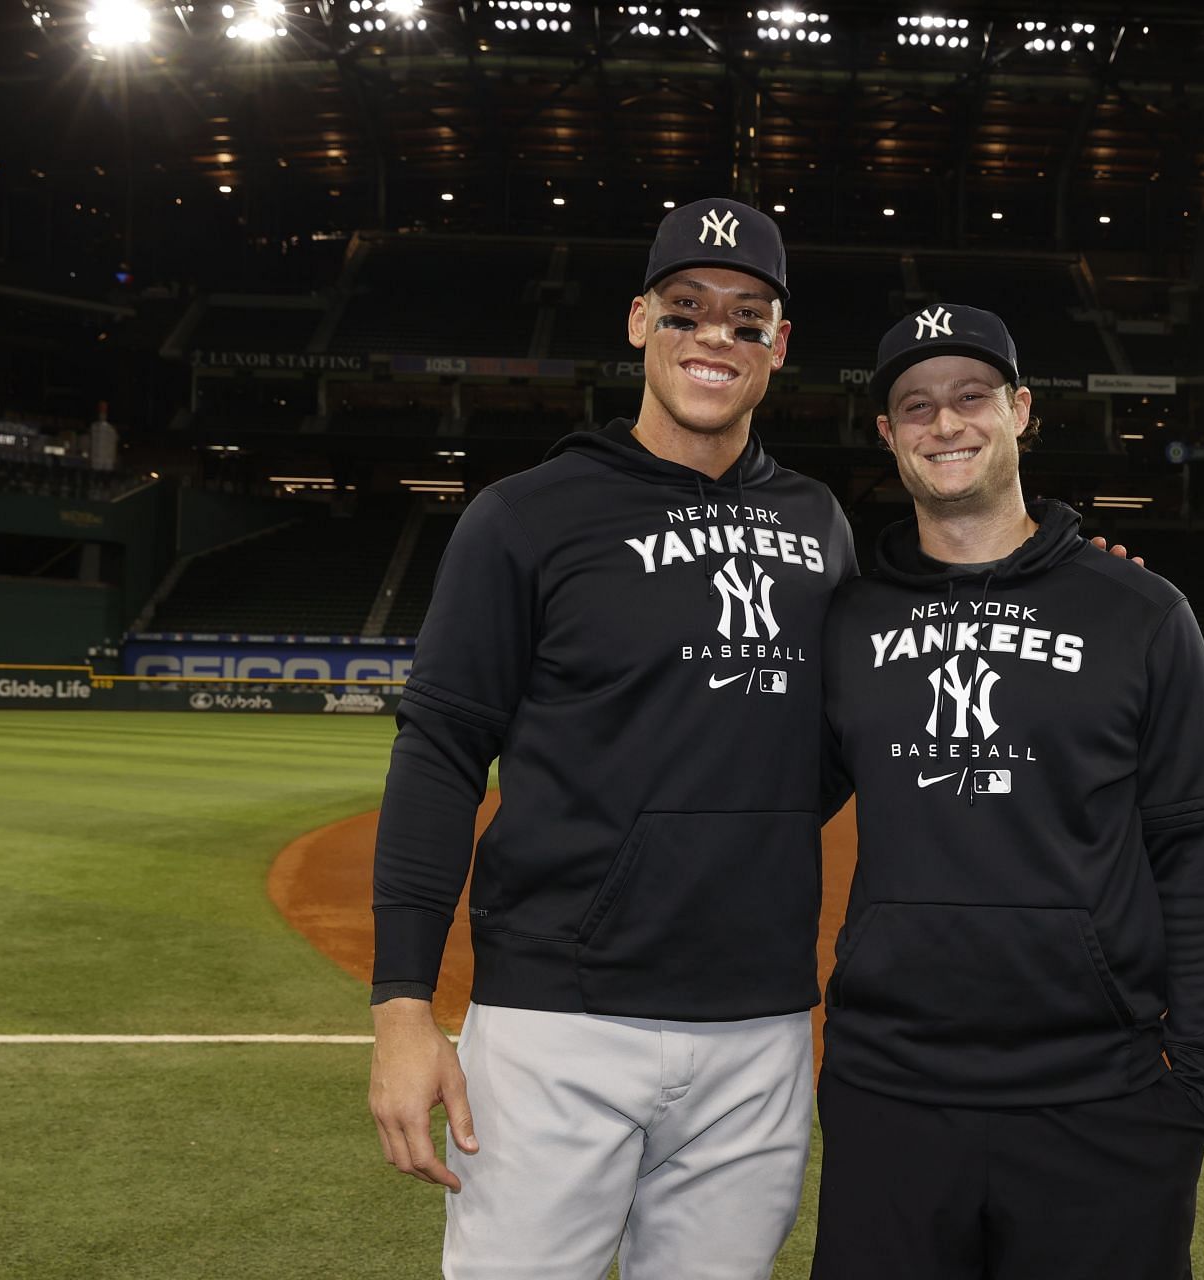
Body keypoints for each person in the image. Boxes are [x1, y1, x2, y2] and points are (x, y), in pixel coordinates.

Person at [366, 198, 858, 1280]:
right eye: (688, 310)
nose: (714, 338)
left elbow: (818, 749)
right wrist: (403, 1001)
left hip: (759, 1021)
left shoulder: (820, 523)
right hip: (558, 1018)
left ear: (781, 344)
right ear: (639, 321)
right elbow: (442, 748)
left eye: (746, 318)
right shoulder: (527, 515)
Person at [811, 304, 1204, 1280]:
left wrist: (1193, 1086)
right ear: (887, 435)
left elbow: (1197, 848)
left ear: (1020, 409)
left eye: (971, 396)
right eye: (915, 405)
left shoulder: (1138, 612)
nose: (945, 423)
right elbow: (762, 802)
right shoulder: (844, 621)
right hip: (891, 1095)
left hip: (1102, 1099)